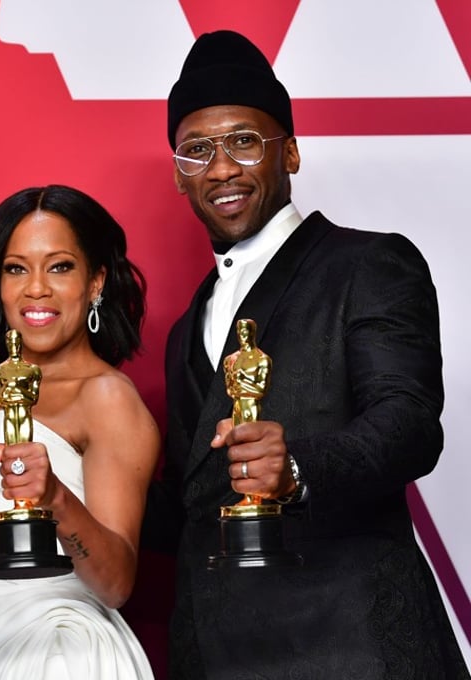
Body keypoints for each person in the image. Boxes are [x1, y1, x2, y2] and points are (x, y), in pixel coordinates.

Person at [150, 29, 469, 678]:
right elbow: (195, 505)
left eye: (244, 141)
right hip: (218, 655)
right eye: (197, 150)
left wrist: (295, 467)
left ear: (290, 152)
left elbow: (409, 426)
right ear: (180, 175)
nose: (221, 169)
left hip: (354, 646)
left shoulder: (368, 263)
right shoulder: (185, 329)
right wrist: (59, 463)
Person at [0, 184, 159, 679]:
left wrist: (54, 496)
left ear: (96, 282)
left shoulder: (106, 398)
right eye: (16, 268)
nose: (36, 288)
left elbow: (116, 583)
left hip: (61, 652)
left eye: (59, 267)